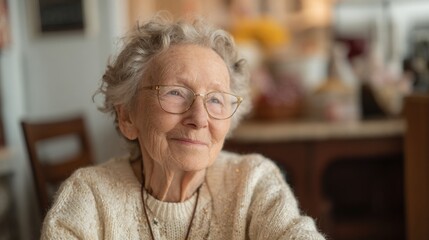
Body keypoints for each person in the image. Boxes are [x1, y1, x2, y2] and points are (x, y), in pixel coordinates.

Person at [41, 13, 325, 240]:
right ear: (128, 117)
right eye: (175, 93)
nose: (200, 118)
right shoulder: (90, 196)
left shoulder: (252, 182)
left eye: (215, 99)